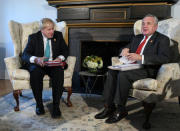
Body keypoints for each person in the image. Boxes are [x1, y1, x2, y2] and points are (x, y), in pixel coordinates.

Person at [94, 14, 171, 124]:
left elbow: (165, 58)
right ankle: (109, 106)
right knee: (112, 71)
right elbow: (125, 47)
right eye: (143, 23)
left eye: (148, 23)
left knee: (123, 75)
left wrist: (141, 57)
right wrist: (124, 49)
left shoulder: (162, 39)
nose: (145, 26)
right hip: (132, 66)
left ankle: (121, 109)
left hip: (147, 69)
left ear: (155, 27)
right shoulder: (137, 37)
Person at [22, 18, 68, 118]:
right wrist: (36, 59)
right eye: (49, 29)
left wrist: (60, 58)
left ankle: (56, 106)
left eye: (53, 29)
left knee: (59, 72)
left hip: (53, 64)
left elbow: (65, 51)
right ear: (42, 30)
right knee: (35, 73)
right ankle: (39, 105)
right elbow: (25, 54)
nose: (52, 31)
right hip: (39, 64)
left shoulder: (58, 35)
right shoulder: (33, 37)